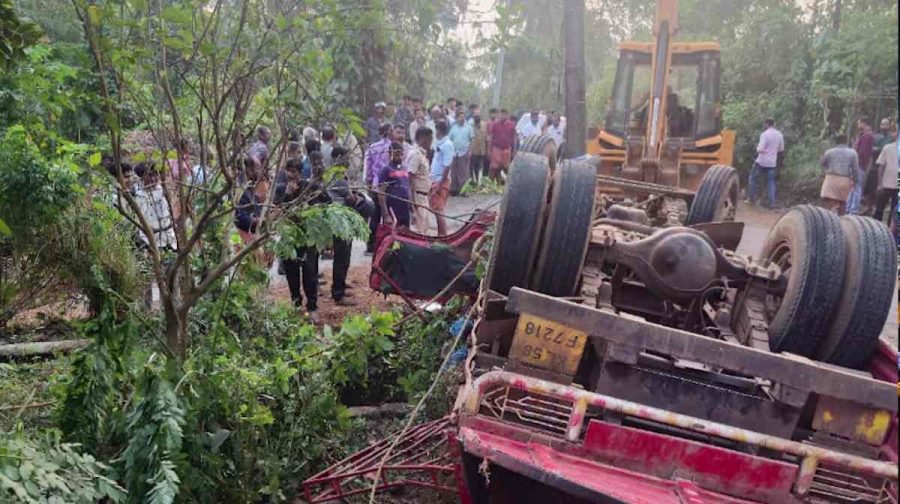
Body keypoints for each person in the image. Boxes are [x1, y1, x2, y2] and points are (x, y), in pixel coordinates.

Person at [274, 158, 322, 322]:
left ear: (300, 173)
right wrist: (287, 195)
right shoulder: (280, 189)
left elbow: (326, 202)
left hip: (308, 237)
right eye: (288, 171)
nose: (290, 175)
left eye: (293, 171)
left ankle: (312, 307)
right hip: (289, 237)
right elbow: (276, 209)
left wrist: (312, 207)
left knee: (310, 272)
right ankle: (296, 303)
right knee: (291, 272)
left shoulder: (311, 187)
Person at [363, 123, 392, 253]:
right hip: (390, 186)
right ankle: (388, 243)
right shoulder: (393, 147)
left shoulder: (372, 147)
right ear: (389, 131)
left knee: (375, 216)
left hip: (376, 185)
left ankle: (371, 245)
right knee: (389, 215)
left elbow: (368, 169)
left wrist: (368, 183)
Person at [746, 119, 784, 209]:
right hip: (772, 163)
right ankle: (771, 203)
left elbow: (759, 149)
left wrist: (763, 150)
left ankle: (751, 199)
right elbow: (781, 149)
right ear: (774, 124)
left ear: (766, 124)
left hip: (761, 161)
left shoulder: (765, 134)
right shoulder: (779, 135)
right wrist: (773, 151)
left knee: (753, 179)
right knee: (771, 182)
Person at [819, 135, 860, 215]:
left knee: (828, 203)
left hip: (831, 179)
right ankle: (841, 220)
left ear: (836, 142)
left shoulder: (829, 152)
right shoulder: (852, 153)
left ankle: (827, 219)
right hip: (844, 180)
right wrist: (855, 181)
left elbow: (823, 163)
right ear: (846, 141)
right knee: (842, 203)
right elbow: (855, 169)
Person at [377, 142, 412, 229]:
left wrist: (412, 209)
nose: (399, 157)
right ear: (390, 153)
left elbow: (408, 187)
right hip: (392, 210)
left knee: (405, 235)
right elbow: (381, 193)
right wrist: (386, 215)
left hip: (405, 210)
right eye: (396, 154)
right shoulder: (385, 170)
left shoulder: (405, 168)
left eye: (401, 154)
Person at [406, 127, 434, 233]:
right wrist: (413, 201)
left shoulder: (422, 154)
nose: (431, 142)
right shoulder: (416, 155)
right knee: (420, 228)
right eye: (429, 139)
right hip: (418, 196)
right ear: (422, 138)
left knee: (425, 225)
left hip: (423, 195)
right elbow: (410, 176)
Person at [430, 119, 454, 235]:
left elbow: (447, 165)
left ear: (438, 130)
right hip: (436, 179)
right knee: (436, 208)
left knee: (439, 209)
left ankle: (443, 235)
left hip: (441, 180)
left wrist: (440, 184)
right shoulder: (440, 143)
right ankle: (440, 233)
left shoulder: (447, 145)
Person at [846, 117, 875, 215]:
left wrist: (858, 164)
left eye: (859, 123)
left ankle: (853, 210)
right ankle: (848, 208)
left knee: (857, 187)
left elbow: (863, 152)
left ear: (864, 123)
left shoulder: (868, 136)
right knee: (852, 187)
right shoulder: (862, 135)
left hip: (859, 165)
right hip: (857, 165)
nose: (858, 126)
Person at [873, 132, 898, 223]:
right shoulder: (887, 148)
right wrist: (880, 184)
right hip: (886, 184)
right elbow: (881, 166)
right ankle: (876, 228)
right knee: (879, 210)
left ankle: (890, 232)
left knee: (895, 212)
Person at [448, 108, 474, 195]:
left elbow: (471, 140)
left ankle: (463, 190)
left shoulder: (469, 127)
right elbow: (450, 139)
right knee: (453, 171)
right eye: (460, 117)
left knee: (464, 172)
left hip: (464, 152)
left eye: (463, 117)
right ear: (457, 118)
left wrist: (469, 151)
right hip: (454, 152)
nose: (462, 118)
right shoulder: (453, 128)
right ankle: (453, 190)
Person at [489, 109, 516, 182]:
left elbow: (514, 138)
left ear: (507, 115)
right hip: (496, 148)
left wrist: (514, 150)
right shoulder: (496, 124)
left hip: (506, 149)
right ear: (500, 115)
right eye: (502, 114)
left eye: (504, 114)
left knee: (505, 167)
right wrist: (489, 149)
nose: (503, 116)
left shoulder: (511, 125)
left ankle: (505, 183)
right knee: (494, 167)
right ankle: (490, 183)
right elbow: (491, 137)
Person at [469, 112, 489, 184]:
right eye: (475, 117)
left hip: (482, 150)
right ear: (473, 118)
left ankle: (479, 182)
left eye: (478, 116)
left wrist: (487, 149)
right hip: (473, 150)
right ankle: (473, 181)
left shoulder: (484, 125)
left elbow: (487, 138)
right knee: (472, 166)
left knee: (480, 166)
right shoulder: (470, 126)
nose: (477, 118)